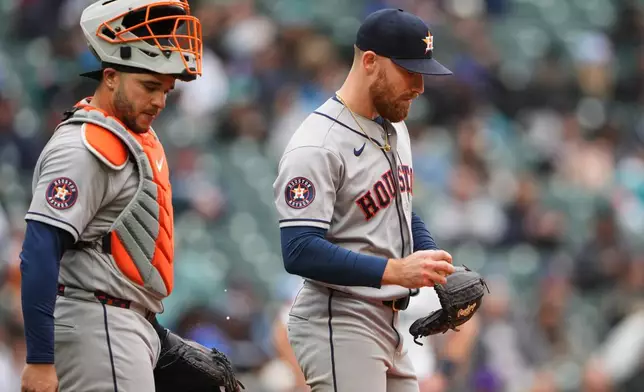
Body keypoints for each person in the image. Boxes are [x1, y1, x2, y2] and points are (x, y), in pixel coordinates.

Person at [17, 0, 212, 391]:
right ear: (110, 76)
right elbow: (39, 248)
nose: (159, 100)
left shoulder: (128, 137)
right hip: (97, 324)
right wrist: (39, 359)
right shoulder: (84, 147)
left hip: (118, 322)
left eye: (166, 90)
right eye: (149, 86)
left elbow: (117, 258)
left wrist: (155, 333)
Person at [272, 8, 456, 392]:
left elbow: (399, 207)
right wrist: (395, 271)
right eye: (409, 70)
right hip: (339, 320)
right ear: (370, 62)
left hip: (388, 324)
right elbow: (299, 250)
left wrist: (434, 263)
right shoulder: (317, 144)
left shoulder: (394, 127)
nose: (420, 86)